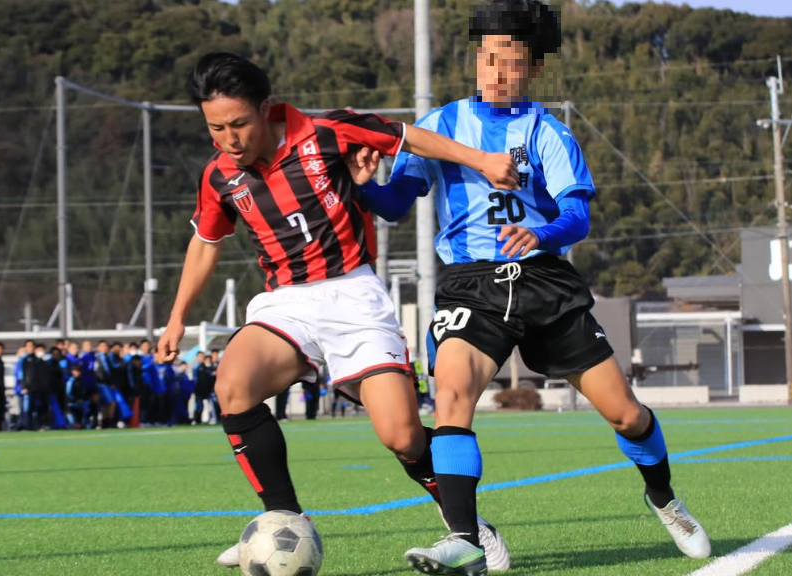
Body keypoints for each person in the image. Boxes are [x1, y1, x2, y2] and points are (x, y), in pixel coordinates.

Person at [355, 2, 711, 573]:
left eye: (512, 62)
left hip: (544, 280)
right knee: (452, 394)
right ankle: (466, 538)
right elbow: (396, 204)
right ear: (476, 59)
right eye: (488, 58)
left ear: (535, 69)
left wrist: (541, 233)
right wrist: (363, 188)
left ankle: (664, 497)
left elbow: (577, 215)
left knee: (626, 415)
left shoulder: (548, 132)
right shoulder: (441, 126)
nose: (497, 72)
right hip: (471, 285)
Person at [154, 52, 518, 569]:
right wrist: (177, 317)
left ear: (265, 107)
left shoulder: (327, 132)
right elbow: (206, 243)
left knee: (403, 436)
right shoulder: (219, 175)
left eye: (238, 123)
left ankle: (470, 526)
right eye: (216, 128)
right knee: (232, 387)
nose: (229, 139)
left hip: (354, 296)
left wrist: (481, 161)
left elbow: (409, 137)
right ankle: (281, 519)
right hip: (285, 302)